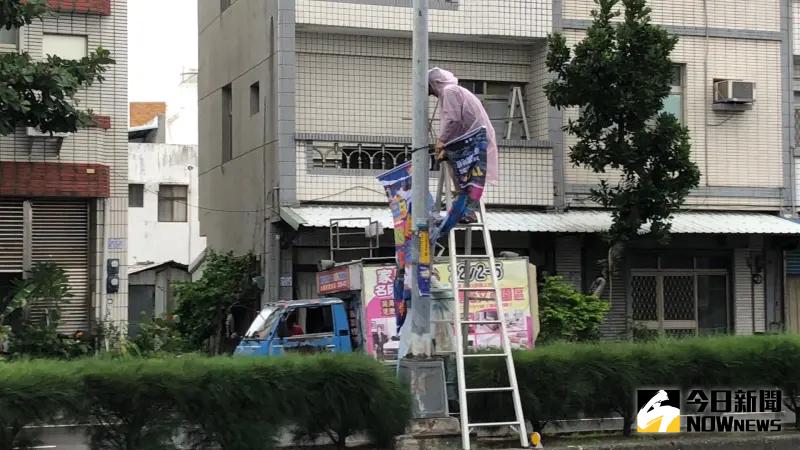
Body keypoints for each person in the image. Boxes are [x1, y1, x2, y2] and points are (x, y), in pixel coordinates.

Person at [428, 68, 498, 232]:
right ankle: (467, 209)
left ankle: (466, 209)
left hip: (473, 140)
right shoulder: (457, 91)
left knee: (465, 175)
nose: (432, 94)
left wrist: (441, 141)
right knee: (468, 176)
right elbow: (459, 122)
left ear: (436, 83)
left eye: (430, 88)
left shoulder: (449, 91)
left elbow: (453, 120)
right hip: (475, 138)